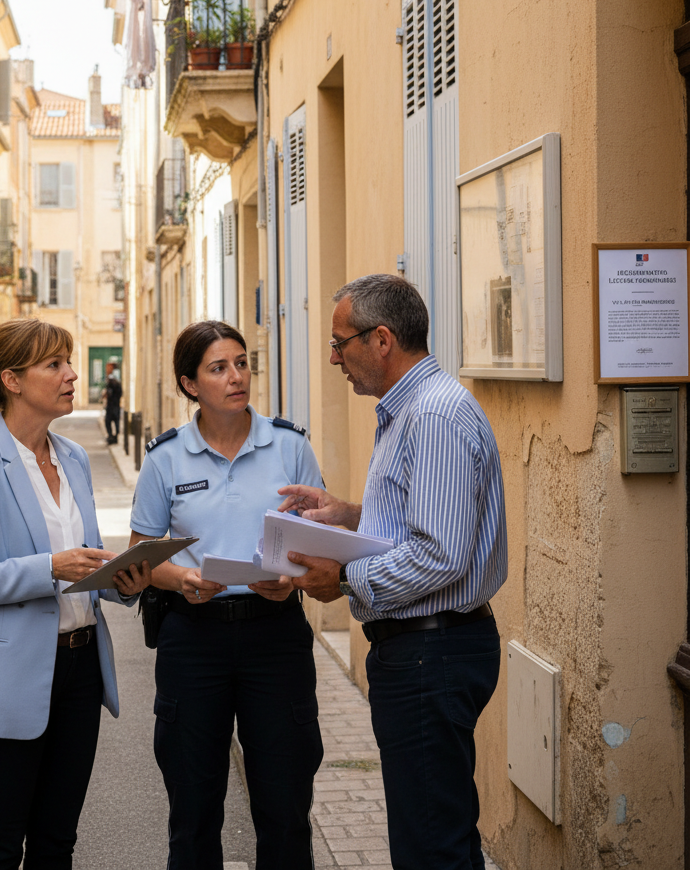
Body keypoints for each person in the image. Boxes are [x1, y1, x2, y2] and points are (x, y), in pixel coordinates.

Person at [277, 274, 507, 870]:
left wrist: (346, 580)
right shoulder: (414, 409)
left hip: (433, 650)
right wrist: (350, 515)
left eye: (341, 342)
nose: (333, 357)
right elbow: (424, 522)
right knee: (428, 829)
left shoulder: (430, 416)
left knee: (433, 844)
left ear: (381, 340)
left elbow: (439, 554)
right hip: (429, 649)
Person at [0, 318, 153, 870]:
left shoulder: (74, 458)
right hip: (5, 683)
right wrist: (47, 568)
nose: (72, 375)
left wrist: (124, 582)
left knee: (58, 843)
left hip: (80, 674)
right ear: (11, 379)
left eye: (69, 362)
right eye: (54, 364)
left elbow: (86, 559)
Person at [127, 320, 325, 870]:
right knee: (192, 812)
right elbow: (141, 553)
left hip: (275, 634)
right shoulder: (165, 458)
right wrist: (181, 579)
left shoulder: (289, 446)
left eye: (242, 363)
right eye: (219, 368)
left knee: (285, 808)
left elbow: (320, 544)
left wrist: (292, 579)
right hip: (193, 639)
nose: (236, 376)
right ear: (190, 384)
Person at [103, 360, 122, 444]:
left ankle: (112, 437)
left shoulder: (112, 378)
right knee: (114, 421)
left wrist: (107, 394)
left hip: (113, 404)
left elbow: (110, 391)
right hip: (115, 404)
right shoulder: (115, 378)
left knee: (109, 421)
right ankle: (113, 437)